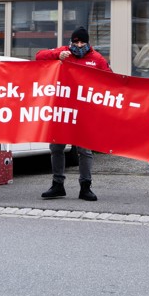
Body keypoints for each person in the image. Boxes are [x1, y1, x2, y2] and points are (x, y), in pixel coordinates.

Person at [35, 26, 111, 201]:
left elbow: (109, 79)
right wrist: (57, 55)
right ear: (71, 42)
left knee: (85, 150)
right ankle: (57, 185)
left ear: (88, 42)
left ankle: (85, 186)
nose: (79, 45)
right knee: (56, 147)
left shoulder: (97, 58)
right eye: (76, 42)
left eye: (82, 42)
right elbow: (39, 56)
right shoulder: (64, 52)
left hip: (84, 111)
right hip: (62, 109)